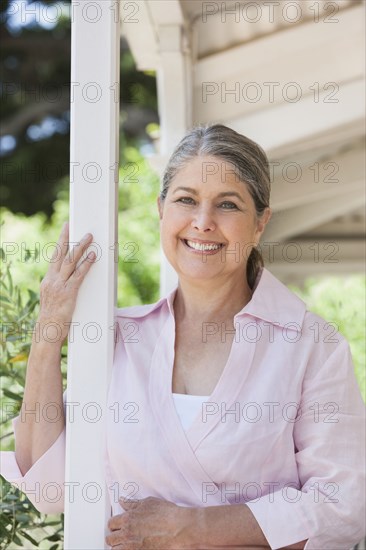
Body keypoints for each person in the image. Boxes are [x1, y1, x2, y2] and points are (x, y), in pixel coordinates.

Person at [1, 124, 365, 549]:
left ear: (260, 222)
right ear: (161, 209)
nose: (203, 222)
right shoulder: (120, 338)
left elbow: (343, 508)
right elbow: (49, 490)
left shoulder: (311, 347)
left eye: (227, 204)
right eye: (186, 200)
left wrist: (194, 529)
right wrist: (49, 332)